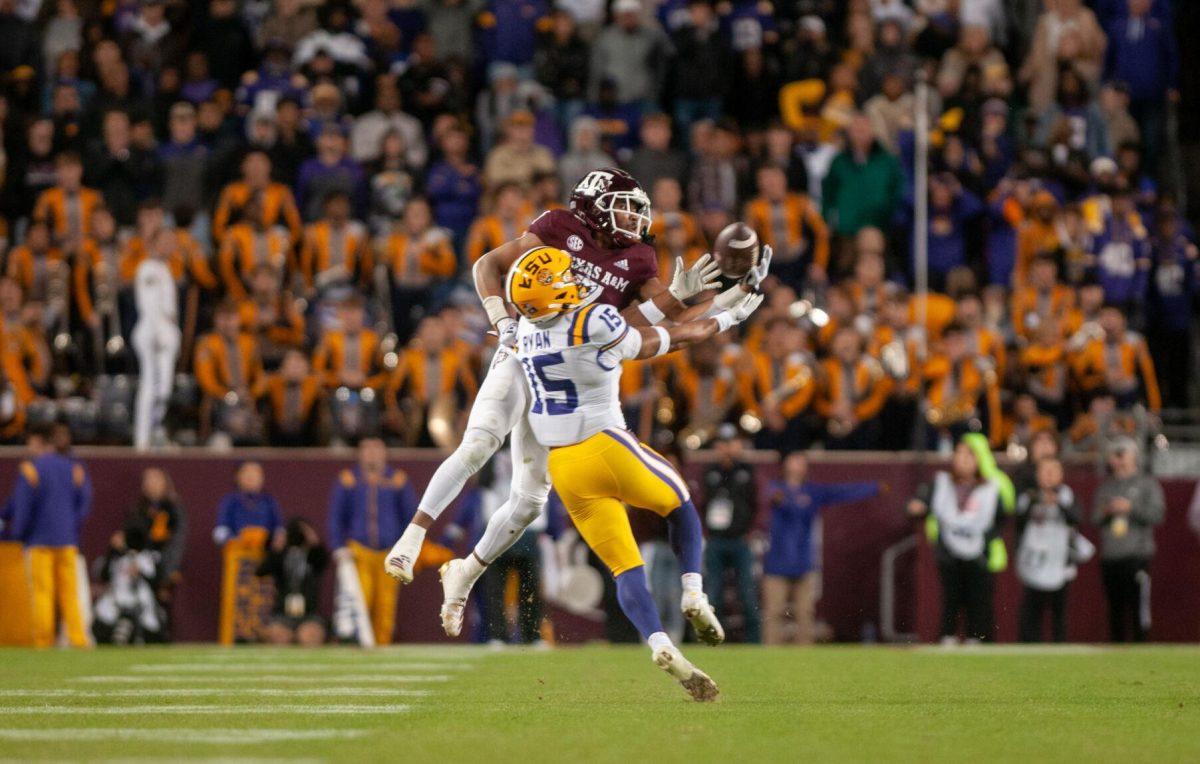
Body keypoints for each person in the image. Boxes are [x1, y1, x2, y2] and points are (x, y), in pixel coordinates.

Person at [383, 168, 758, 629]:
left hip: (568, 369)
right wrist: (502, 322)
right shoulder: (559, 226)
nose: (635, 218)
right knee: (479, 444)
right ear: (595, 205)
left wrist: (713, 298)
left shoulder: (638, 257)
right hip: (524, 350)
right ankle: (412, 536)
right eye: (625, 206)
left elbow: (655, 322)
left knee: (529, 502)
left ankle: (465, 573)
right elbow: (487, 265)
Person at [500, 246, 764, 699]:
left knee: (625, 567)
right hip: (605, 443)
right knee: (680, 506)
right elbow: (666, 338)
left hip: (562, 464)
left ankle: (659, 642)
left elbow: (648, 318)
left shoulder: (523, 330)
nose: (580, 280)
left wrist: (702, 299)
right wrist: (725, 317)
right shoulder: (592, 320)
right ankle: (694, 594)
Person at [762, 452, 879, 645]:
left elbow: (842, 492)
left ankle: (805, 656)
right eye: (795, 460)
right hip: (777, 562)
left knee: (805, 612)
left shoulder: (812, 492)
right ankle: (771, 652)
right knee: (774, 612)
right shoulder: (775, 488)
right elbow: (774, 497)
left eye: (802, 461)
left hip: (804, 562)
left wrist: (873, 488)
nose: (799, 465)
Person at [906, 436, 1004, 644]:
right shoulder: (941, 482)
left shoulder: (991, 487)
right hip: (948, 551)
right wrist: (917, 506)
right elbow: (921, 502)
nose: (964, 459)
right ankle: (947, 636)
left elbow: (1002, 517)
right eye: (959, 453)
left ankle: (976, 638)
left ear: (980, 459)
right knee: (951, 597)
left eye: (970, 454)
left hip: (979, 552)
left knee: (978, 599)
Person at [5, 424, 92, 647]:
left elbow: (23, 508)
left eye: (32, 443)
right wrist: (71, 527)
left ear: (42, 443)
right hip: (67, 540)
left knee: (42, 593)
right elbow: (84, 504)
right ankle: (78, 639)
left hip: (39, 541)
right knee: (69, 593)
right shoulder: (74, 468)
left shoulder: (31, 469)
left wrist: (19, 534)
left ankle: (44, 641)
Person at [327, 437, 417, 646]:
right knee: (360, 601)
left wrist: (408, 548)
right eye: (367, 449)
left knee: (386, 605)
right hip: (358, 550)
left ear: (384, 452)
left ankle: (382, 648)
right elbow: (336, 516)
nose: (372, 454)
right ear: (360, 453)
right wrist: (338, 545)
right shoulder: (348, 479)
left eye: (376, 449)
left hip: (390, 552)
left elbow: (411, 517)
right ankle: (358, 649)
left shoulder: (397, 479)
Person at [1092, 437, 1164, 642]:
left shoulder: (1147, 483)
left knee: (1138, 607)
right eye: (1114, 455)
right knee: (1115, 607)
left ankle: (1141, 646)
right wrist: (1108, 510)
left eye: (1121, 454)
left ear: (1134, 456)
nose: (1117, 459)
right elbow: (1095, 518)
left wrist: (1130, 508)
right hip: (1111, 555)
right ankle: (1117, 649)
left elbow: (1157, 514)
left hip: (1137, 554)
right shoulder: (1106, 487)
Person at [1015, 456, 1088, 643]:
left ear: (1061, 475)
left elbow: (1077, 518)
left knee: (1059, 611)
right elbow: (1018, 521)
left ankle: (1059, 646)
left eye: (1053, 471)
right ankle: (1029, 648)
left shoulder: (1067, 496)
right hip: (1033, 563)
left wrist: (1058, 503)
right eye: (1044, 471)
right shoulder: (1028, 496)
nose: (1048, 476)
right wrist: (1036, 501)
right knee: (1031, 611)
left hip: (1059, 563)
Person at [699, 425, 760, 643]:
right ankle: (716, 641)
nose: (727, 448)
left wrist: (749, 531)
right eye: (723, 443)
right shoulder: (710, 472)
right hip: (716, 540)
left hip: (739, 539)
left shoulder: (746, 471)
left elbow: (755, 504)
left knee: (747, 592)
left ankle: (754, 643)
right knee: (714, 592)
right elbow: (702, 504)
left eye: (731, 442)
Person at [212, 460, 283, 644]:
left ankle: (261, 639)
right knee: (237, 604)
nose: (252, 477)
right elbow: (219, 532)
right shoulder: (231, 501)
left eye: (256, 473)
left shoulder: (269, 501)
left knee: (262, 604)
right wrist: (240, 540)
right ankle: (232, 640)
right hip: (239, 563)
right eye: (247, 472)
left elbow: (279, 531)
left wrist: (273, 540)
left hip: (263, 562)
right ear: (238, 476)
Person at [131, 227, 180, 450]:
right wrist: (157, 333)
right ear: (154, 243)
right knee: (150, 386)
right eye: (165, 240)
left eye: (172, 241)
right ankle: (142, 440)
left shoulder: (165, 267)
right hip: (152, 332)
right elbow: (148, 304)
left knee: (164, 389)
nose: (170, 245)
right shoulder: (147, 267)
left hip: (165, 332)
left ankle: (157, 434)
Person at [257, 517, 329, 647]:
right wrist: (276, 549)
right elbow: (261, 571)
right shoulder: (280, 556)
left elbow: (323, 561)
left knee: (310, 636)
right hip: (282, 614)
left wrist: (312, 541)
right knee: (278, 636)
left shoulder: (313, 556)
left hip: (309, 615)